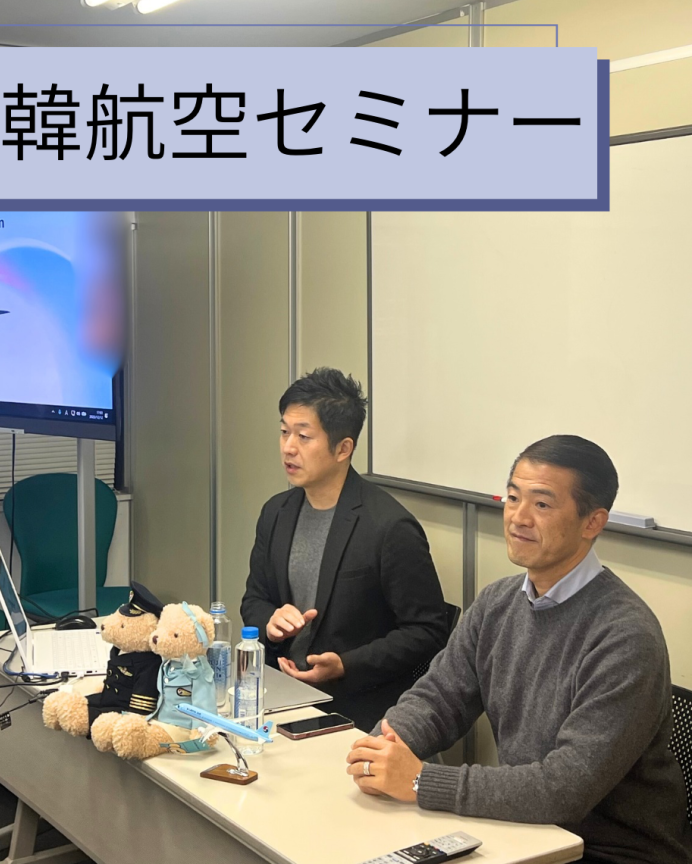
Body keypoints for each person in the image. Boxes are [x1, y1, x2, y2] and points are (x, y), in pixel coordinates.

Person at [346, 435, 692, 864]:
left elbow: (565, 789)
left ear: (592, 522)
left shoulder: (625, 636)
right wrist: (384, 748)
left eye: (542, 504)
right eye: (512, 498)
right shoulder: (497, 602)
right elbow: (439, 698)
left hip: (610, 850)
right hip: (524, 831)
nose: (518, 518)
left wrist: (420, 782)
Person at [241, 367, 448, 732]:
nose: (288, 447)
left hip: (355, 708)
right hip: (280, 694)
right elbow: (254, 599)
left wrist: (345, 665)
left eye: (304, 436)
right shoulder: (276, 512)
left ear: (343, 448)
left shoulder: (389, 527)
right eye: (285, 432)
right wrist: (270, 622)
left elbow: (427, 631)